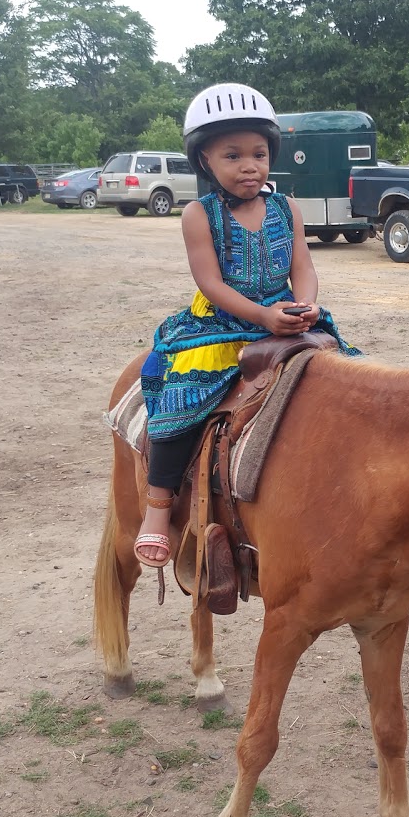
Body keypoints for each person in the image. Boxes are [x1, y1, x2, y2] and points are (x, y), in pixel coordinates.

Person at [133, 82, 361, 568]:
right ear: (206, 162)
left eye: (258, 153)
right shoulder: (199, 215)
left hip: (284, 312)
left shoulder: (286, 207)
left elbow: (303, 265)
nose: (249, 165)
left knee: (353, 385)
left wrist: (307, 304)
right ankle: (157, 508)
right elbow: (210, 282)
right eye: (232, 155)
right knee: (179, 403)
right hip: (221, 323)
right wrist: (260, 317)